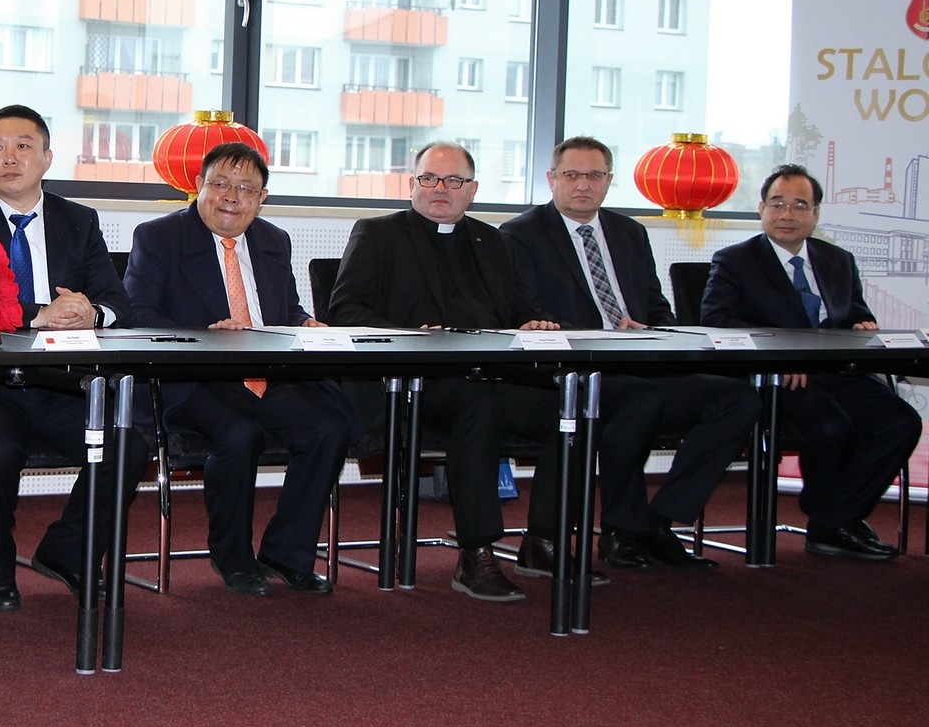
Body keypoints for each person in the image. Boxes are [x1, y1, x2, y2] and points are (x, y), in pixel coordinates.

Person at [329, 140, 633, 603]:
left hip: (488, 375)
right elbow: (345, 311)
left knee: (569, 407)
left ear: (472, 190)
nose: (441, 189)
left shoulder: (493, 241)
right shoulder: (377, 234)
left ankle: (544, 541)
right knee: (480, 405)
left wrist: (531, 324)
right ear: (412, 184)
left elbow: (517, 310)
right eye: (430, 178)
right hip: (413, 383)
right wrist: (411, 334)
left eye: (454, 181)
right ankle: (477, 552)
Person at [500, 136, 757, 571]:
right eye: (572, 175)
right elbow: (527, 313)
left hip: (643, 360)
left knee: (739, 399)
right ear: (552, 178)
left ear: (609, 180)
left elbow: (655, 305)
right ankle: (623, 530)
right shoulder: (520, 234)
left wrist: (659, 332)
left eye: (594, 175)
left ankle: (659, 520)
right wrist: (605, 338)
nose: (583, 184)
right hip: (576, 371)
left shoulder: (629, 232)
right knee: (639, 400)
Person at [0, 104, 149, 611]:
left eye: (23, 146)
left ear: (47, 158)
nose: (9, 157)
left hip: (62, 383)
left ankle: (67, 552)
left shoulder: (79, 220)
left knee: (127, 446)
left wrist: (90, 312)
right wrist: (38, 315)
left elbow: (119, 305)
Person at [124, 142, 355, 596]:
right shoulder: (159, 237)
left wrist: (305, 324)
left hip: (264, 373)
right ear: (199, 185)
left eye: (246, 189)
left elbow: (284, 309)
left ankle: (287, 554)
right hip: (192, 377)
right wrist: (205, 335)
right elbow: (137, 316)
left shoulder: (273, 240)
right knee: (239, 432)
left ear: (262, 198)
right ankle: (232, 557)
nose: (232, 197)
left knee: (330, 425)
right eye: (221, 184)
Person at [701, 163, 921, 561]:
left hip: (837, 372)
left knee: (901, 422)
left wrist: (861, 324)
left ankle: (834, 518)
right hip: (778, 379)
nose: (787, 214)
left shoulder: (838, 260)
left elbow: (854, 312)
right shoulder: (735, 260)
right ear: (761, 209)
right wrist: (781, 357)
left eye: (800, 205)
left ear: (815, 214)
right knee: (831, 426)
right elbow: (717, 321)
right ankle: (833, 524)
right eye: (777, 204)